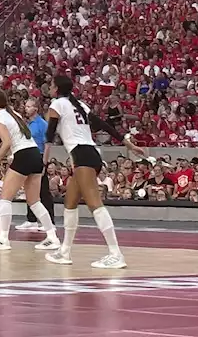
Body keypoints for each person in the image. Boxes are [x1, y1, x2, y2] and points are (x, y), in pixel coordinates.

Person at [45, 74, 141, 269]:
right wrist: (127, 143)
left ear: (56, 89)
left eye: (51, 86)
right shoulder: (79, 104)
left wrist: (44, 159)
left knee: (94, 204)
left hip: (82, 155)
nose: (49, 88)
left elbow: (50, 133)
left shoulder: (57, 104)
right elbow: (104, 125)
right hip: (90, 153)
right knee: (70, 202)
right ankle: (64, 251)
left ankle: (116, 253)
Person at [0, 89, 59, 251]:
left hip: (23, 155)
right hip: (35, 154)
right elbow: (24, 135)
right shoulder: (13, 113)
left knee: (5, 199)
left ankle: (3, 239)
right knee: (35, 201)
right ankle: (52, 237)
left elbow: (7, 142)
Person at [17, 98, 55, 233]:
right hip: (29, 156)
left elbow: (47, 144)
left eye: (28, 106)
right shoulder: (29, 124)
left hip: (39, 157)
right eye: (26, 106)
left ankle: (50, 221)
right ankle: (31, 219)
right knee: (29, 188)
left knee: (43, 190)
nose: (26, 108)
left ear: (35, 109)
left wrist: (44, 163)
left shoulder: (42, 124)